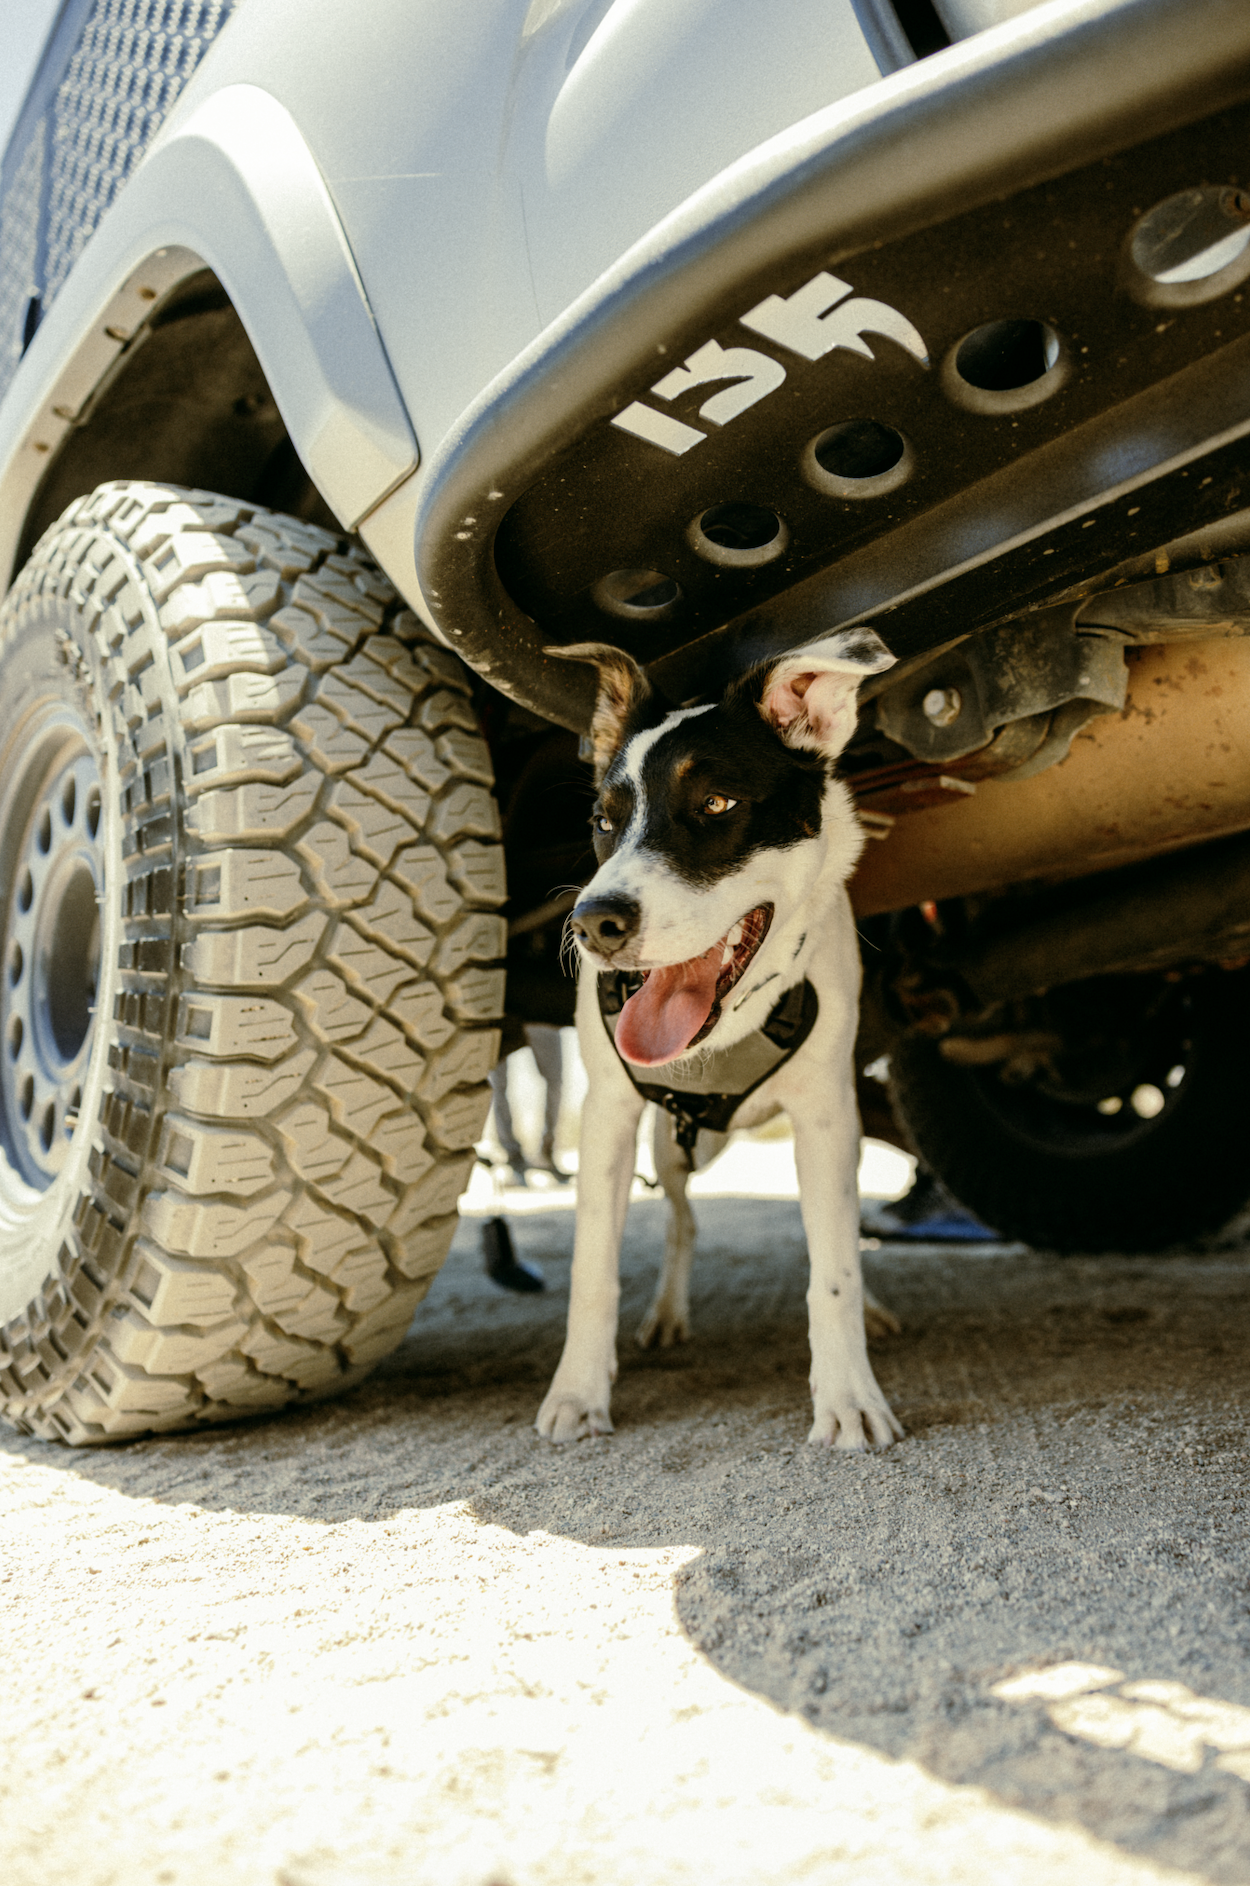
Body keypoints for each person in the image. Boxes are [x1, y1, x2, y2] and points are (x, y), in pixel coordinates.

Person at [487, 1022, 570, 1186]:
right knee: (496, 1085)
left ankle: (546, 1152)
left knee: (556, 1081)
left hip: (541, 1010)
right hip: (501, 1015)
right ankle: (512, 1155)